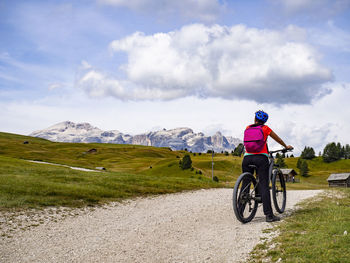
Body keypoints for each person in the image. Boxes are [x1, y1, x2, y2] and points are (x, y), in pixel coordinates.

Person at [242, 110, 293, 222]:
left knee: (245, 183)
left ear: (255, 119)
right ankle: (269, 215)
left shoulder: (247, 128)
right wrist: (286, 146)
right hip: (261, 158)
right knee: (264, 185)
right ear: (264, 121)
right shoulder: (265, 129)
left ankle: (240, 211)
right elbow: (278, 139)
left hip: (246, 158)